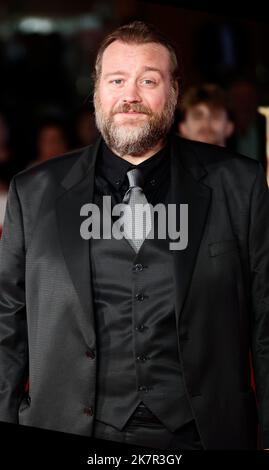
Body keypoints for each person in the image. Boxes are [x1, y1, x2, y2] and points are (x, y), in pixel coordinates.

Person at [0, 20, 269, 451]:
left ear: (174, 93)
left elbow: (265, 323)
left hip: (203, 434)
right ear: (97, 91)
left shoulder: (239, 185)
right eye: (117, 79)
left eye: (149, 80)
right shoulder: (34, 193)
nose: (131, 95)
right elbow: (5, 328)